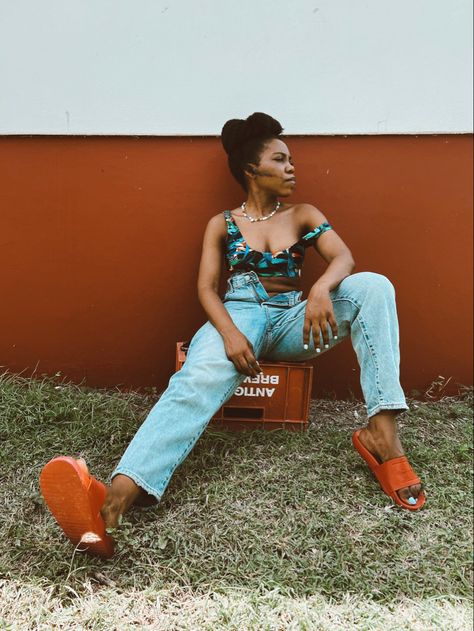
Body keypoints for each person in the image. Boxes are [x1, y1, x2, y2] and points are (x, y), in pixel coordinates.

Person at [40, 112, 425, 558]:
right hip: (237, 316)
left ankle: (382, 436)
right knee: (196, 379)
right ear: (251, 169)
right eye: (280, 159)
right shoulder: (221, 224)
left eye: (291, 159)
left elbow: (344, 257)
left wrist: (321, 287)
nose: (291, 168)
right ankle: (117, 496)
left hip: (292, 320)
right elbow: (205, 288)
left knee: (374, 287)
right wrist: (228, 333)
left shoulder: (304, 214)